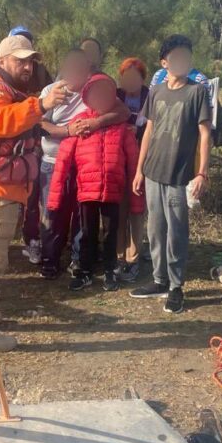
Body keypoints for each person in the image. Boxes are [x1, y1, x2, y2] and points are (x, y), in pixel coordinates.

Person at [0, 33, 69, 353]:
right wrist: (42, 104)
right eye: (20, 60)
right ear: (2, 61)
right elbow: (1, 122)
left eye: (31, 61)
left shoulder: (3, 90)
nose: (27, 66)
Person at [131, 35, 212, 314]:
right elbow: (149, 131)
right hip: (153, 172)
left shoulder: (197, 92)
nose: (182, 62)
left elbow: (205, 135)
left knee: (176, 232)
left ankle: (176, 287)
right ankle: (159, 280)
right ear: (164, 63)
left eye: (186, 57)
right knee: (155, 229)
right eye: (176, 57)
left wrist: (202, 173)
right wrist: (139, 169)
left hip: (180, 175)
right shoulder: (156, 92)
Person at [47, 74, 144, 292]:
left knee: (110, 233)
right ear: (87, 98)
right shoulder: (79, 124)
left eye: (106, 94)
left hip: (112, 191)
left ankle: (110, 271)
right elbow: (62, 162)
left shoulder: (121, 128)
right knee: (87, 233)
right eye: (96, 94)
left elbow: (134, 164)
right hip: (87, 192)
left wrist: (137, 200)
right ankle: (85, 271)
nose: (101, 98)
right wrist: (54, 198)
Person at [38, 49, 127, 279]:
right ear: (64, 68)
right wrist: (67, 131)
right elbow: (39, 123)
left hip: (84, 164)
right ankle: (50, 259)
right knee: (53, 211)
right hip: (53, 162)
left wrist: (97, 123)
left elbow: (122, 111)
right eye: (71, 68)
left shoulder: (93, 89)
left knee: (81, 215)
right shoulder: (51, 91)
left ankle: (79, 259)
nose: (75, 73)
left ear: (88, 71)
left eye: (81, 68)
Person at [8, 24, 52, 264]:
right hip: (5, 147)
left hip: (32, 142)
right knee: (4, 197)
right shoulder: (1, 74)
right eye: (18, 40)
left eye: (27, 40)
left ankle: (32, 240)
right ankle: (0, 243)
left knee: (32, 196)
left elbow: (48, 102)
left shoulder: (40, 71)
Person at [116, 57, 150, 282]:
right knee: (119, 209)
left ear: (142, 78)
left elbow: (155, 127)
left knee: (137, 210)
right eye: (126, 77)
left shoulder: (151, 97)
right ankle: (118, 256)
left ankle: (133, 258)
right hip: (118, 158)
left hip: (141, 159)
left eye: (134, 77)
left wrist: (139, 131)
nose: (130, 81)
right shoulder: (116, 96)